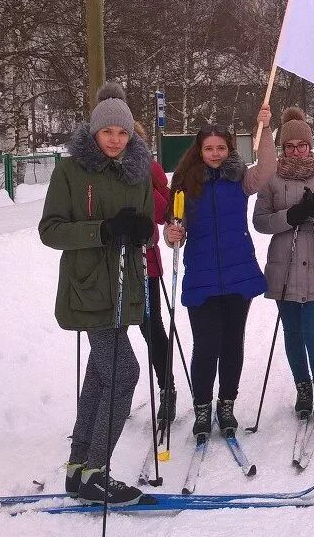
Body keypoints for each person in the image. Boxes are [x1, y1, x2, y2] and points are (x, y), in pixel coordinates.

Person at [39, 82, 153, 505]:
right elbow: (50, 230)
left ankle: (78, 466)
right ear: (94, 133)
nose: (115, 140)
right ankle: (96, 471)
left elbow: (143, 222)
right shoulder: (71, 171)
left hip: (125, 288)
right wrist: (101, 231)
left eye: (122, 133)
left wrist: (142, 231)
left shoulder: (137, 170)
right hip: (88, 291)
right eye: (108, 132)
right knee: (124, 374)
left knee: (101, 375)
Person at [164, 106, 276, 438]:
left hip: (238, 272)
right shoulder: (185, 182)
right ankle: (202, 408)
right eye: (209, 148)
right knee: (206, 346)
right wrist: (172, 233)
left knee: (231, 344)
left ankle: (226, 405)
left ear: (230, 150)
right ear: (199, 150)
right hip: (202, 275)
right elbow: (175, 224)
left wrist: (266, 129)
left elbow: (268, 168)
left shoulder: (240, 179)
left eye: (221, 148)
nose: (215, 154)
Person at [252, 107, 314, 420]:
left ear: (310, 145)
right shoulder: (271, 180)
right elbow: (260, 222)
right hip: (284, 268)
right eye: (288, 146)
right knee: (292, 333)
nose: (295, 151)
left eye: (300, 145)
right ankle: (303, 387)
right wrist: (289, 217)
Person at [132, 121, 175, 427]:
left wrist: (144, 187)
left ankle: (166, 387)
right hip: (109, 266)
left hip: (145, 262)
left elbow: (166, 212)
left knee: (151, 326)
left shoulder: (150, 169)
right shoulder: (97, 172)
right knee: (110, 331)